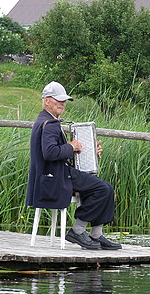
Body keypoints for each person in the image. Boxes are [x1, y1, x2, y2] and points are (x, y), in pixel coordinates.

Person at [26, 81, 121, 250]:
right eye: (58, 100)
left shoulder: (44, 120)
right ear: (47, 100)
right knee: (103, 189)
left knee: (99, 186)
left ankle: (96, 234)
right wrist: (72, 146)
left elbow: (55, 152)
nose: (62, 103)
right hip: (55, 178)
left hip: (50, 176)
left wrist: (88, 151)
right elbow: (50, 153)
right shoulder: (50, 124)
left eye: (64, 100)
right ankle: (79, 231)